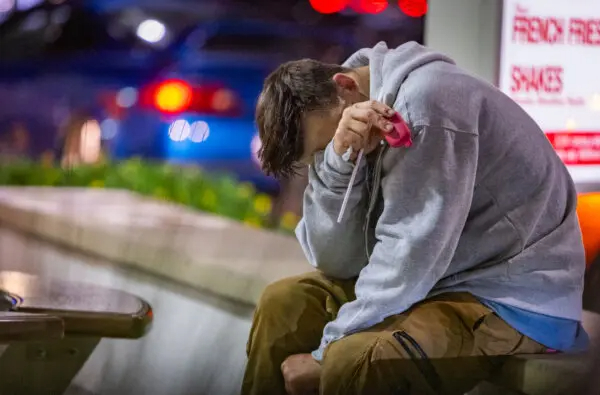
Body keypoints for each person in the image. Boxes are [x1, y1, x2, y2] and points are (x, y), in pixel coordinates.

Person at [242, 41, 588, 395]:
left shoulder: (424, 105)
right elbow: (335, 261)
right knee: (282, 305)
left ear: (345, 85)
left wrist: (322, 354)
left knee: (354, 361)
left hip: (511, 295)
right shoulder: (346, 116)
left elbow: (411, 254)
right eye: (320, 152)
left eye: (325, 145)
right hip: (438, 279)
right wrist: (336, 163)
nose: (331, 151)